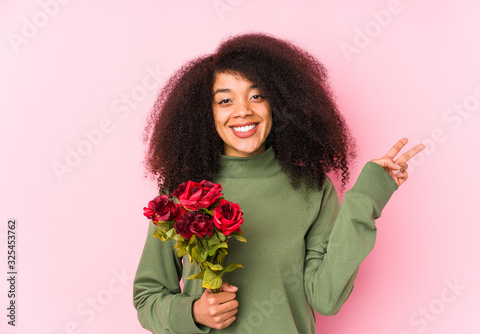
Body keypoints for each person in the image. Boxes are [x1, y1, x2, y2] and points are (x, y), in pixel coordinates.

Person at [133, 33, 425, 334]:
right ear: (205, 113)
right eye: (224, 100)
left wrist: (366, 197)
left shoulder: (312, 188)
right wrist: (193, 313)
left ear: (279, 102)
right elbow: (147, 298)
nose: (243, 110)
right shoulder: (182, 195)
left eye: (257, 96)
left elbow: (325, 298)